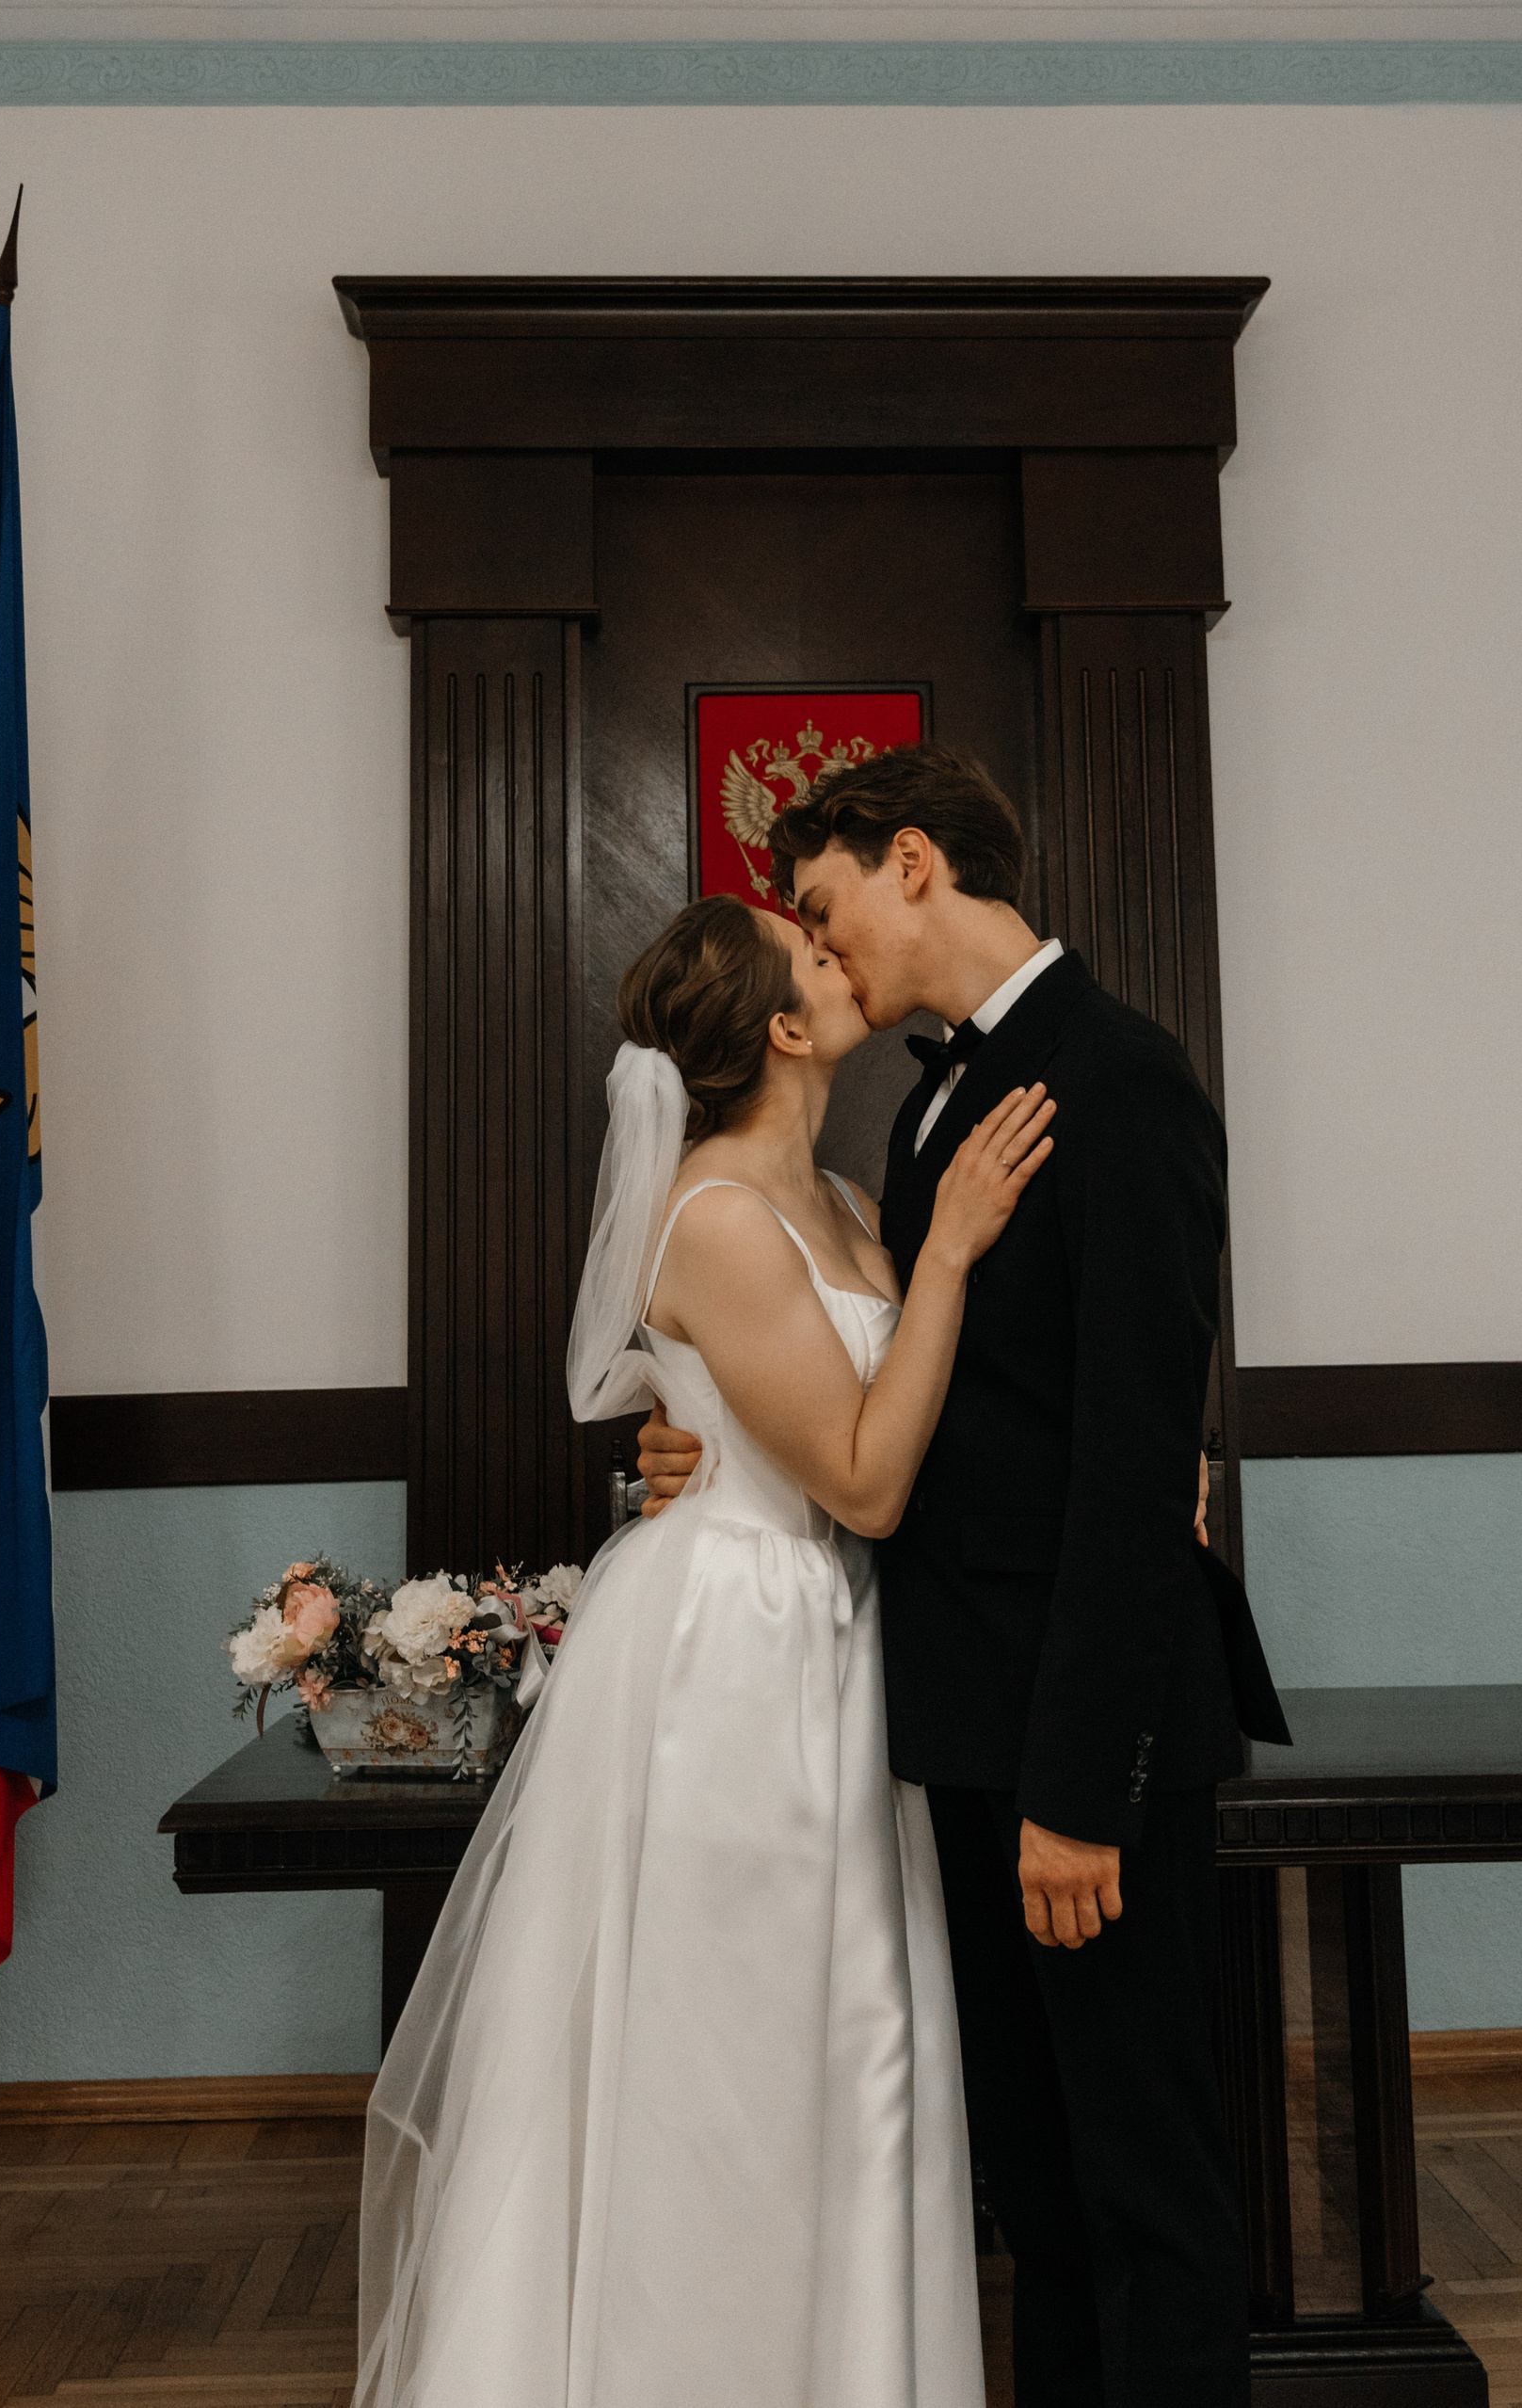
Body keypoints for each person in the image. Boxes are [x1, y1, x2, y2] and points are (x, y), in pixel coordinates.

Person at [640, 744, 1290, 2408]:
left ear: (913, 861)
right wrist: (708, 1450)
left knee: (1148, 2197)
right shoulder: (929, 1106)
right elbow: (912, 1406)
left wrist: (1074, 1791)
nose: (819, 941)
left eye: (824, 903)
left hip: (1084, 1755)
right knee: (1047, 2206)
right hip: (962, 1733)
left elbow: (1135, 1465)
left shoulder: (1120, 1078)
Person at [353, 888, 1059, 2408]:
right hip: (740, 1661)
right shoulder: (721, 1216)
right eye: (811, 947)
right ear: (787, 1026)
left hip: (844, 1645)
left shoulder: (848, 1196)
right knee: (731, 2054)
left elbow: (873, 1433)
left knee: (857, 2044)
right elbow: (863, 1477)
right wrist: (948, 1258)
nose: (837, 945)